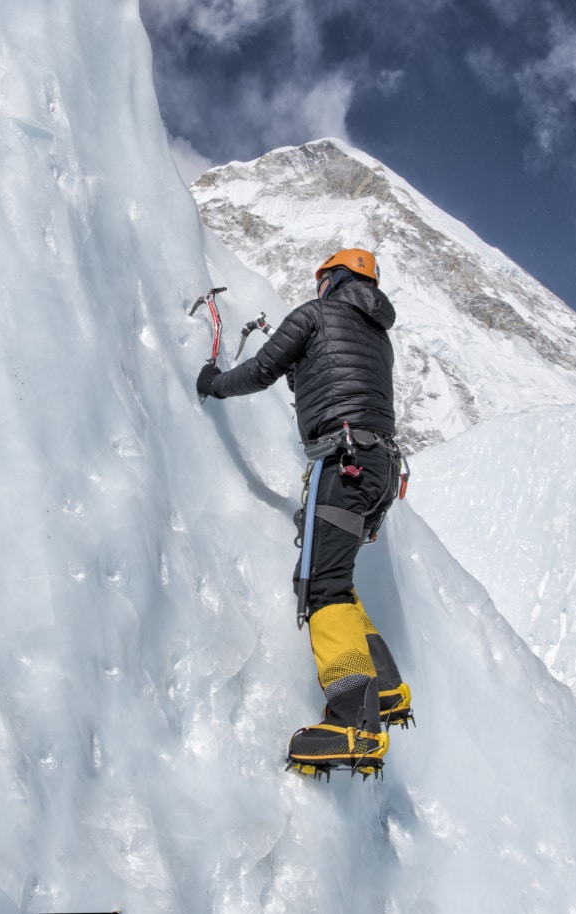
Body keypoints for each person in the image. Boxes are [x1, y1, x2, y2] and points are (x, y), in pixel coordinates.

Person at [196, 248, 412, 776]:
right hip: (380, 469)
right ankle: (385, 691)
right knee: (338, 579)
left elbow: (264, 369)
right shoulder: (378, 339)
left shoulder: (316, 315)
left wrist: (213, 383)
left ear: (331, 280)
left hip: (344, 463)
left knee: (322, 587)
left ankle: (353, 725)